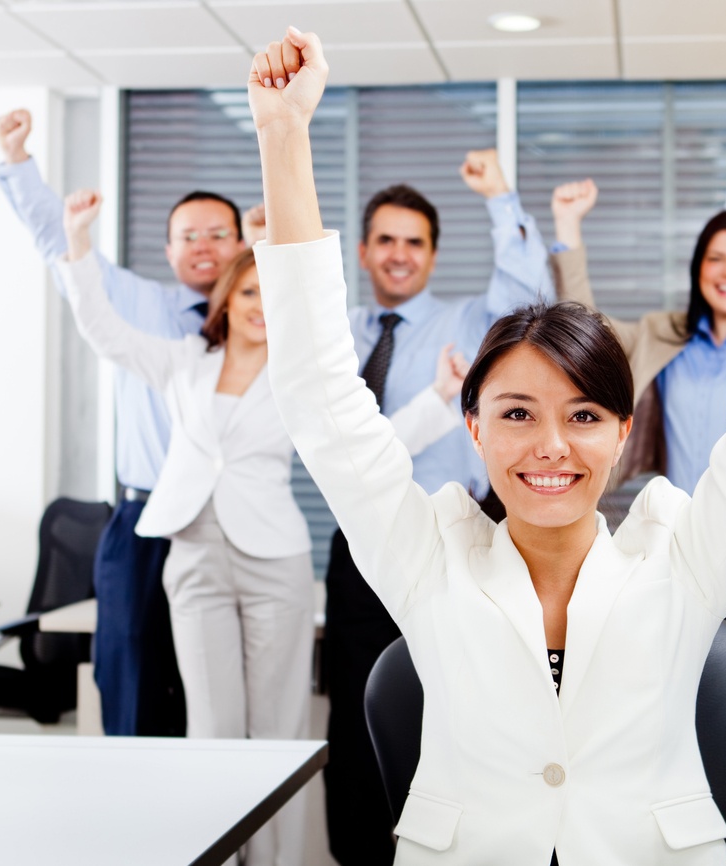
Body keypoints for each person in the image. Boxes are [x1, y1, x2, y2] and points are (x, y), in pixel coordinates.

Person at [248, 20, 726, 865]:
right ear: (473, 426)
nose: (550, 445)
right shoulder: (426, 558)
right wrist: (283, 132)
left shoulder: (686, 558)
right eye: (518, 413)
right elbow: (318, 392)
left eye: (585, 416)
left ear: (624, 431)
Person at [54, 187, 468, 866]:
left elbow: (374, 442)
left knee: (275, 732)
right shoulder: (186, 364)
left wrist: (441, 397)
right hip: (193, 557)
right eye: (247, 293)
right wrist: (76, 241)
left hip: (272, 561)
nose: (258, 307)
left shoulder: (297, 383)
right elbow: (103, 329)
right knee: (212, 730)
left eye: (270, 297)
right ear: (228, 300)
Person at [0, 109, 256, 735]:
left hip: (228, 518)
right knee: (132, 681)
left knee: (217, 698)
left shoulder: (264, 321)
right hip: (143, 519)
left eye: (218, 233)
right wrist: (18, 159)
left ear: (241, 245)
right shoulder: (137, 302)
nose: (203, 246)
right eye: (188, 235)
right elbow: (63, 246)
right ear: (168, 250)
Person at [319, 151, 551, 860]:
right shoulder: (340, 332)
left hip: (454, 539)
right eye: (385, 240)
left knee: (457, 708)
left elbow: (525, 285)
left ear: (433, 254)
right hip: (360, 545)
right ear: (363, 251)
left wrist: (500, 197)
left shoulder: (468, 322)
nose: (399, 255)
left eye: (414, 242)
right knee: (357, 715)